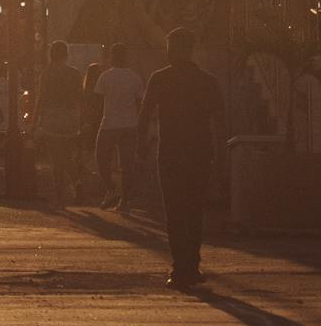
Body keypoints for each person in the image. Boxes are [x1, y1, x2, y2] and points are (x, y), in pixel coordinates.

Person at [140, 26, 224, 291]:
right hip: (200, 152)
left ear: (174, 49)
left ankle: (180, 267)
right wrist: (220, 154)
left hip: (170, 153)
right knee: (195, 209)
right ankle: (192, 264)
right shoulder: (207, 80)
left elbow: (144, 116)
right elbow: (219, 121)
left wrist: (140, 149)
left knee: (174, 210)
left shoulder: (159, 78)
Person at [90, 43, 145, 210]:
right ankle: (125, 200)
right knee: (127, 164)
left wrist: (90, 122)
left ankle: (111, 189)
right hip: (130, 124)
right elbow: (141, 101)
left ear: (112, 57)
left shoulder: (105, 77)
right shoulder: (135, 77)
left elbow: (97, 102)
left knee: (101, 158)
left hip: (109, 124)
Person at [34, 41, 83, 206]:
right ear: (66, 54)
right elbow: (80, 98)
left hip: (52, 116)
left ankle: (59, 190)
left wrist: (34, 123)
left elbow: (40, 99)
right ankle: (77, 182)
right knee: (68, 155)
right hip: (70, 116)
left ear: (51, 54)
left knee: (56, 157)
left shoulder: (46, 74)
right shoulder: (75, 74)